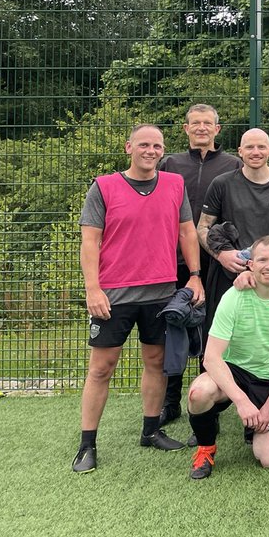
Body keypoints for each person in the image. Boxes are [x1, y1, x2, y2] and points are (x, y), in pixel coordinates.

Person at [73, 124, 204, 473]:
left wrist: (194, 274)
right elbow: (90, 242)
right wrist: (92, 288)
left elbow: (187, 231)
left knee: (157, 362)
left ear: (163, 150)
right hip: (112, 294)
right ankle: (87, 444)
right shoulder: (103, 186)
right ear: (129, 146)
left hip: (161, 293)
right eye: (144, 144)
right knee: (102, 368)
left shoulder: (175, 185)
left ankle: (150, 430)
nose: (150, 150)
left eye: (157, 145)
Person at [186, 236, 269, 479]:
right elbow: (211, 358)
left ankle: (257, 426)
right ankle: (206, 449)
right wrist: (242, 402)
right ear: (250, 264)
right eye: (262, 259)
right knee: (198, 393)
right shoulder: (233, 297)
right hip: (235, 370)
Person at [157, 103, 242, 425]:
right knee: (174, 327)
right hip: (175, 260)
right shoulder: (170, 164)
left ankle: (207, 398)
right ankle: (170, 400)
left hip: (218, 260)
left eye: (208, 123)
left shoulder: (233, 164)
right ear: (186, 128)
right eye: (196, 123)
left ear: (217, 130)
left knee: (213, 330)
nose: (202, 128)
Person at [198, 128, 269, 333]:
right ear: (240, 151)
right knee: (223, 336)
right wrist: (221, 255)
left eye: (261, 147)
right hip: (229, 275)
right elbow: (202, 227)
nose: (256, 152)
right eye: (250, 147)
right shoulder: (222, 183)